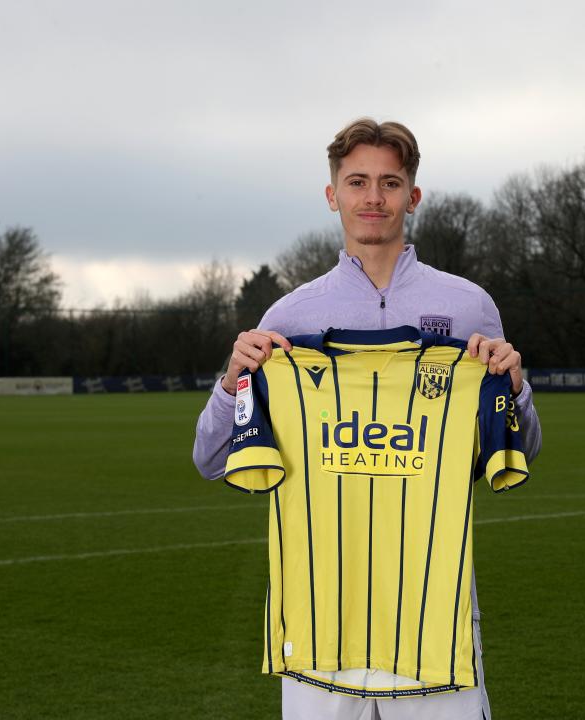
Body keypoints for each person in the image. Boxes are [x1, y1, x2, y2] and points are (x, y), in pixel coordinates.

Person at [193, 118, 542, 720]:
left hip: (434, 610)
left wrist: (515, 387)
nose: (373, 198)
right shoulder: (289, 317)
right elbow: (210, 459)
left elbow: (519, 450)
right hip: (318, 612)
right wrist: (233, 384)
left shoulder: (469, 307)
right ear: (333, 195)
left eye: (390, 182)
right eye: (357, 182)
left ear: (413, 195)